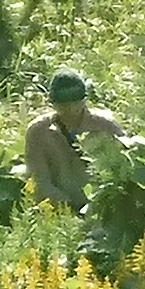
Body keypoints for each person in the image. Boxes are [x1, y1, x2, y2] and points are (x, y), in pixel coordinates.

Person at [21, 70, 126, 210]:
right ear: (52, 103)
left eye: (75, 104)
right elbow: (38, 180)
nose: (69, 110)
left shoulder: (106, 127)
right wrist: (68, 208)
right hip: (59, 211)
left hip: (103, 209)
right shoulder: (38, 132)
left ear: (84, 100)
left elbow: (125, 171)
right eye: (63, 105)